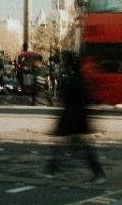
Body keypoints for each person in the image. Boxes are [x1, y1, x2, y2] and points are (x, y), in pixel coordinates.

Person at [43, 52, 104, 183]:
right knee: (78, 147)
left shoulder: (72, 78)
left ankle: (52, 169)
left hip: (73, 117)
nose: (63, 64)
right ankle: (52, 169)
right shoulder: (78, 77)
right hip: (77, 117)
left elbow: (66, 97)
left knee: (65, 146)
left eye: (64, 62)